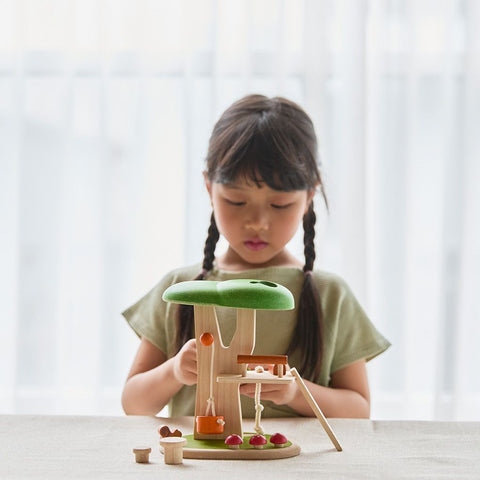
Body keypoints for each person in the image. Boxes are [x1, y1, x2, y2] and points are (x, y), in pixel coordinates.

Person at [121, 94, 390, 419]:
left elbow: (358, 410)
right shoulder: (182, 287)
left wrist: (295, 391)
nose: (257, 223)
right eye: (236, 201)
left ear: (309, 196)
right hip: (203, 468)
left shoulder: (329, 293)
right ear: (209, 188)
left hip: (293, 470)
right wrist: (175, 371)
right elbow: (133, 403)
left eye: (280, 205)